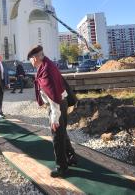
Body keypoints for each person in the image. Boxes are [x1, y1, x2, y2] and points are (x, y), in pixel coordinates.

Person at [28, 45, 77, 177]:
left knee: (57, 137)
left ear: (35, 58)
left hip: (57, 106)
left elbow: (53, 96)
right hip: (62, 102)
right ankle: (71, 156)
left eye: (30, 60)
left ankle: (62, 167)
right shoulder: (47, 64)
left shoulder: (46, 71)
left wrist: (54, 118)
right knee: (62, 133)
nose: (30, 62)